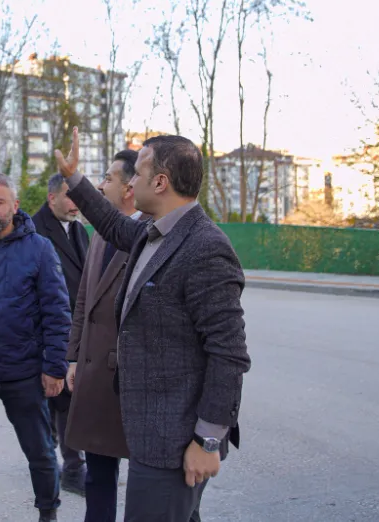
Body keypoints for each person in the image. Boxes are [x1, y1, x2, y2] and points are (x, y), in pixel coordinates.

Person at [55, 129, 251, 522]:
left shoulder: (205, 247)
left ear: (160, 182)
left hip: (175, 442)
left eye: (138, 175)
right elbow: (112, 224)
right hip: (151, 434)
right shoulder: (154, 232)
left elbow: (228, 354)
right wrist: (74, 178)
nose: (131, 183)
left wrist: (207, 440)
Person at [0, 172, 71, 522]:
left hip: (24, 373)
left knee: (41, 452)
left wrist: (54, 367)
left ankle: (48, 512)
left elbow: (57, 311)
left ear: (15, 206)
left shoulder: (39, 249)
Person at [64, 149, 140, 522]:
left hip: (131, 380)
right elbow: (84, 300)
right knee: (98, 477)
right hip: (94, 376)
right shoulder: (99, 236)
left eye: (108, 178)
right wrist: (74, 356)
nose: (101, 184)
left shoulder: (150, 236)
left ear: (129, 188)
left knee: (148, 484)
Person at [31, 172, 88, 495]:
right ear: (52, 198)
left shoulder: (78, 230)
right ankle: (72, 467)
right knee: (62, 396)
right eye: (70, 195)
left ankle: (57, 457)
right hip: (47, 330)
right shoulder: (35, 229)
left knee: (63, 397)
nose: (76, 202)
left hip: (75, 330)